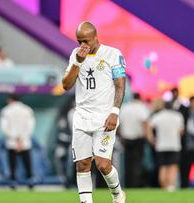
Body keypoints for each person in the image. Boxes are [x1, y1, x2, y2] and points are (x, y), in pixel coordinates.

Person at [62, 21, 126, 203]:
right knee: (82, 164)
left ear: (95, 37)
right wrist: (77, 63)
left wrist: (115, 111)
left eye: (86, 41)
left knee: (103, 165)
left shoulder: (113, 54)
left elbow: (120, 84)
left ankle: (118, 195)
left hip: (105, 117)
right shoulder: (76, 55)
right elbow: (66, 85)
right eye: (79, 41)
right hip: (82, 117)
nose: (83, 45)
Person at [0, 94, 35, 189]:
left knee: (12, 165)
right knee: (27, 164)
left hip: (12, 142)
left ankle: (13, 182)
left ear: (10, 100)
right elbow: (30, 126)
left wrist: (16, 139)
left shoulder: (6, 110)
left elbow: (4, 128)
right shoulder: (27, 109)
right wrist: (22, 139)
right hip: (25, 142)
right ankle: (30, 182)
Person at [147, 102, 184, 191]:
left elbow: (149, 126)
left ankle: (163, 187)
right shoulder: (178, 116)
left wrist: (151, 138)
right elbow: (181, 131)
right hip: (174, 145)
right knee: (173, 167)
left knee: (162, 167)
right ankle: (171, 187)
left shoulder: (158, 116)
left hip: (161, 146)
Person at [119, 93, 149, 187]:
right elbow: (144, 123)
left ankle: (128, 184)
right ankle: (136, 184)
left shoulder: (124, 108)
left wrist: (121, 137)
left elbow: (119, 124)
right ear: (139, 98)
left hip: (126, 139)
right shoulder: (141, 107)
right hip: (138, 139)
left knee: (128, 163)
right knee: (138, 163)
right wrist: (147, 136)